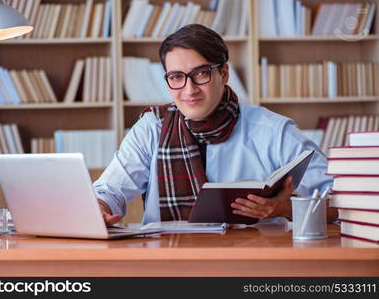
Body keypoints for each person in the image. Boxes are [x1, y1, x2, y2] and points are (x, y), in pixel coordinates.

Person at [93, 24, 335, 226]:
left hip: (253, 264)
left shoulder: (273, 130)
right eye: (176, 77)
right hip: (169, 261)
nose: (189, 90)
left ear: (224, 74)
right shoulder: (151, 128)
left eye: (201, 74)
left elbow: (343, 201)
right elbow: (108, 192)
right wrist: (99, 210)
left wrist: (288, 208)